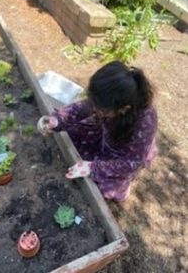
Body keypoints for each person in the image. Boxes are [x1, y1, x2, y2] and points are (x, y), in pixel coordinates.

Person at [37, 61, 158, 202]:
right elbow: (84, 107)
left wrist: (94, 168)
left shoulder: (145, 121)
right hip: (105, 133)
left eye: (99, 108)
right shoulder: (108, 100)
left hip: (123, 155)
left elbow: (131, 162)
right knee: (72, 131)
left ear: (123, 109)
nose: (93, 108)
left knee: (105, 187)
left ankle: (123, 187)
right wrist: (57, 120)